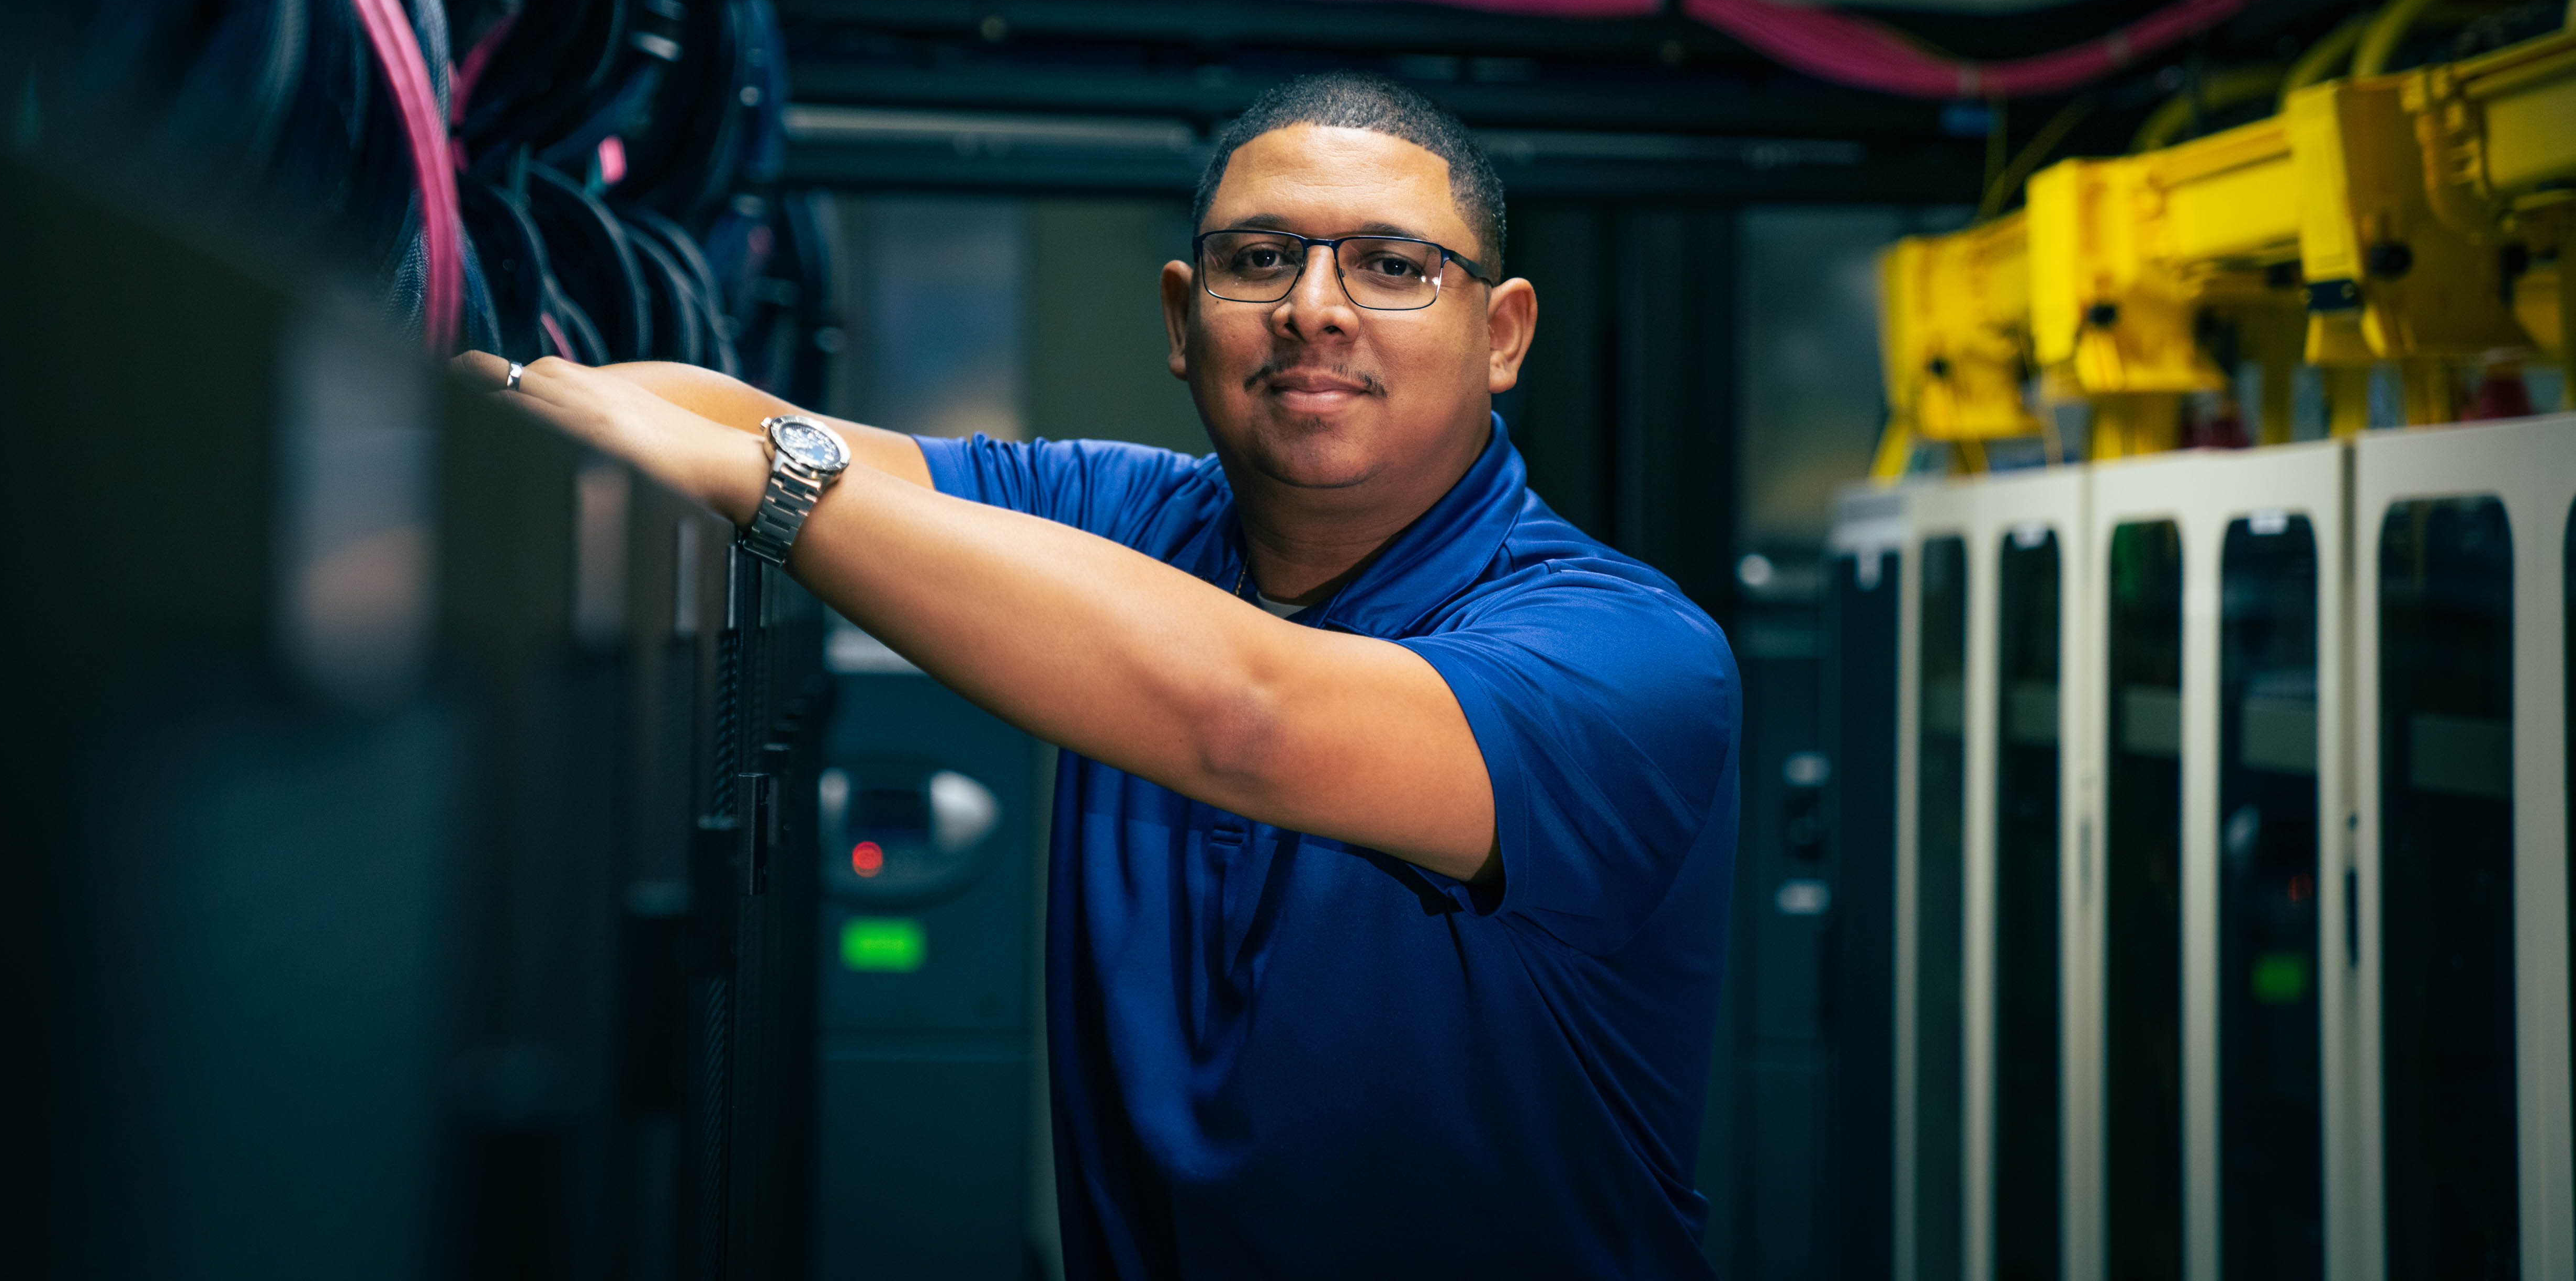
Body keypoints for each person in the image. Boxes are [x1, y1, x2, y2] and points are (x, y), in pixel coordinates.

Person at [464, 73, 1739, 1278]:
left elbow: (1252, 716)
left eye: (1393, 266)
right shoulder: (1120, 519)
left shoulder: (1626, 654)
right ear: (1185, 320)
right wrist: (520, 398)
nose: (1314, 307)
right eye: (1260, 258)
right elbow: (712, 415)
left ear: (1503, 332)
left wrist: (767, 486)